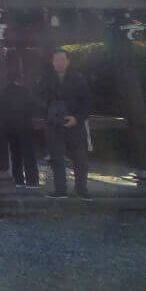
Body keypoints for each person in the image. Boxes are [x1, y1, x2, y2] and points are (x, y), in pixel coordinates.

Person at [40, 48, 91, 199]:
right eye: (56, 60)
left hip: (75, 121)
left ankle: (81, 190)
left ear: (68, 61)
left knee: (80, 158)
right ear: (52, 62)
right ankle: (60, 190)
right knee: (56, 157)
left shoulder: (78, 78)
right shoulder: (46, 78)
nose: (59, 62)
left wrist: (77, 118)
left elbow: (87, 102)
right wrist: (48, 111)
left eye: (62, 59)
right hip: (54, 121)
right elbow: (38, 97)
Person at [0, 74, 41, 187]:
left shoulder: (5, 90)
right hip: (22, 124)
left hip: (14, 125)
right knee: (26, 154)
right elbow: (34, 104)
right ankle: (31, 180)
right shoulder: (27, 88)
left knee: (17, 154)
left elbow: (0, 107)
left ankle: (20, 179)